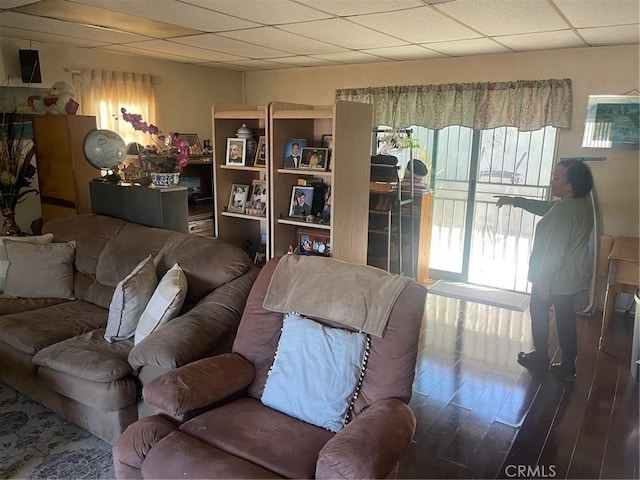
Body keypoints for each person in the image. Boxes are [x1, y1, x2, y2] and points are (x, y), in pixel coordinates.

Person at [495, 159, 594, 382]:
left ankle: (541, 357)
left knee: (539, 313)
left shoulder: (565, 209)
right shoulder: (581, 204)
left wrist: (543, 281)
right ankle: (569, 366)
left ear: (570, 185)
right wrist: (515, 201)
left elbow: (554, 250)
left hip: (554, 277)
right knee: (566, 319)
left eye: (556, 177)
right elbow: (544, 208)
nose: (552, 182)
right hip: (570, 277)